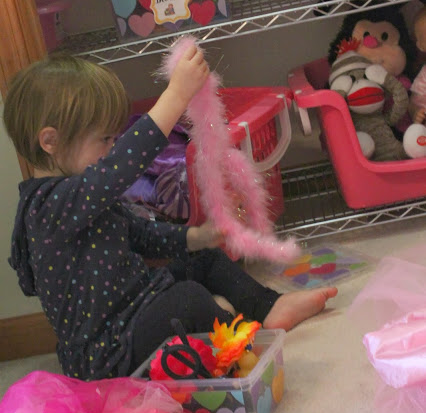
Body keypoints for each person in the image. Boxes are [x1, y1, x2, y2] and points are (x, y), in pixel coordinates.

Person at [3, 48, 337, 380]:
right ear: (50, 141)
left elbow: (138, 235)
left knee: (203, 258)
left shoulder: (81, 196)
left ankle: (270, 307)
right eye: (104, 140)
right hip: (108, 354)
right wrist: (176, 95)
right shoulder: (48, 206)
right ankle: (235, 361)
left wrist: (197, 236)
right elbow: (120, 167)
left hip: (136, 309)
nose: (110, 149)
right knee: (188, 301)